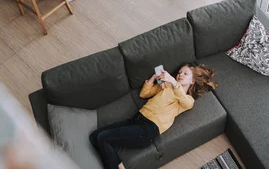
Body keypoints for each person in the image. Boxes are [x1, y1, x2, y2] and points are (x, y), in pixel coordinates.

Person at [89, 64, 218, 169]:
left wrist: (173, 82)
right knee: (95, 136)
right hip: (136, 120)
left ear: (192, 81)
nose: (180, 75)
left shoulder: (187, 100)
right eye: (179, 72)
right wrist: (154, 78)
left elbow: (186, 102)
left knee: (103, 138)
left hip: (148, 130)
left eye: (185, 73)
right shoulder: (165, 86)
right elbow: (144, 94)